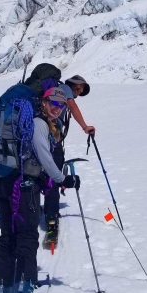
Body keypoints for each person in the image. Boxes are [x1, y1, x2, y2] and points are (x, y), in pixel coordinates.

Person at [0, 87, 81, 293]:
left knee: (7, 235)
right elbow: (43, 154)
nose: (56, 108)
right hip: (25, 188)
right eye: (53, 102)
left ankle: (2, 290)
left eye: (61, 105)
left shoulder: (23, 119)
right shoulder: (39, 124)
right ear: (43, 101)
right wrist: (63, 179)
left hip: (4, 183)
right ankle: (23, 291)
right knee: (28, 236)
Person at [43, 75, 94, 242]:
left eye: (81, 90)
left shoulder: (55, 90)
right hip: (50, 135)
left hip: (43, 133)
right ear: (73, 84)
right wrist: (85, 127)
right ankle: (51, 218)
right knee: (54, 175)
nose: (79, 92)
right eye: (78, 88)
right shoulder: (64, 89)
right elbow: (71, 105)